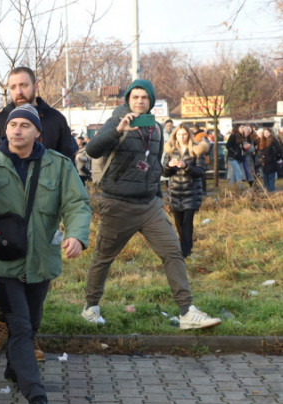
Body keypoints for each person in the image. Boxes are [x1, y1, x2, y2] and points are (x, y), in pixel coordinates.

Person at [0, 104, 90, 404]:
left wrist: (78, 235)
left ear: (38, 131)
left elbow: (77, 203)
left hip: (41, 260)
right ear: (6, 130)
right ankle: (36, 393)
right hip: (3, 261)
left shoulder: (59, 166)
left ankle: (15, 367)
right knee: (21, 326)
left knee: (32, 321)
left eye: (26, 125)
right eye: (14, 125)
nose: (18, 130)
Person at [80, 79, 221, 330]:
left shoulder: (155, 128)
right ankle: (91, 307)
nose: (139, 101)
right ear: (128, 100)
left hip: (149, 205)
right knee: (104, 257)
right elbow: (92, 149)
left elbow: (154, 165)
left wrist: (158, 196)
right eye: (135, 97)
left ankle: (187, 311)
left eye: (144, 97)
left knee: (172, 251)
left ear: (151, 102)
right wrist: (118, 131)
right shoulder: (117, 121)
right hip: (118, 203)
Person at [0, 66, 78, 356]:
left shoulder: (56, 121)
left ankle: (27, 335)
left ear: (35, 86)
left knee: (36, 281)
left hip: (41, 217)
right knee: (6, 273)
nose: (19, 91)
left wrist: (73, 227)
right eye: (13, 87)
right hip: (5, 224)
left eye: (23, 85)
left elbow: (68, 167)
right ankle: (4, 323)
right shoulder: (0, 120)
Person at [162, 125, 209, 258]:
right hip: (175, 192)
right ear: (175, 136)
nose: (182, 137)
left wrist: (186, 166)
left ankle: (185, 252)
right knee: (178, 224)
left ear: (189, 135)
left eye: (184, 134)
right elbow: (165, 173)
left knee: (187, 222)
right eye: (179, 134)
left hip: (192, 192)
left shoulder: (197, 150)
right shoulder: (170, 150)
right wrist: (169, 166)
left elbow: (200, 171)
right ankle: (184, 248)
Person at [226, 123, 257, 188]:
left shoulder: (241, 137)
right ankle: (241, 187)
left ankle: (230, 187)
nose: (243, 129)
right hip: (232, 157)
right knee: (239, 173)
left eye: (243, 128)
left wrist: (244, 148)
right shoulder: (233, 136)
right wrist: (235, 152)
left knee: (234, 174)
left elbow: (240, 147)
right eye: (241, 127)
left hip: (238, 157)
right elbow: (228, 146)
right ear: (237, 128)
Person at [255, 127, 282, 193]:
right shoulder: (262, 140)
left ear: (270, 133)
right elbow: (260, 150)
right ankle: (266, 190)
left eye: (267, 132)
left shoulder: (273, 140)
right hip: (264, 161)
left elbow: (279, 150)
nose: (266, 134)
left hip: (271, 161)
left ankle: (271, 190)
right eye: (264, 133)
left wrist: (272, 156)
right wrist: (261, 158)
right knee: (265, 175)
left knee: (271, 176)